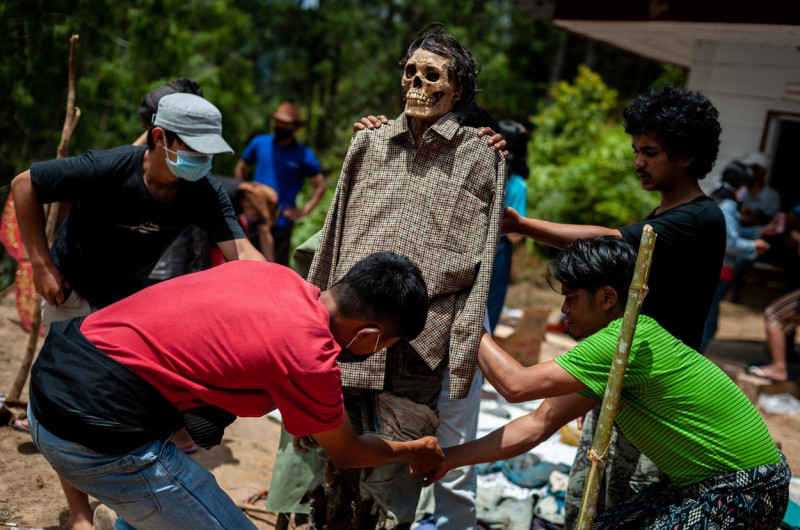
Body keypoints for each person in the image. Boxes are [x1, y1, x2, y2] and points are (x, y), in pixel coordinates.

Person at [27, 252, 443, 530]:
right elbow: (348, 453)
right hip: (93, 434)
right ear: (368, 333)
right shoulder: (309, 358)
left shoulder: (273, 275)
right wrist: (415, 448)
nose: (377, 353)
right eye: (385, 345)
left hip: (49, 387)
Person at [11, 92, 265, 530]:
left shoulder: (200, 192)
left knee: (118, 397)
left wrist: (290, 293)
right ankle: (78, 513)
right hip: (70, 287)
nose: (203, 160)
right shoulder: (108, 167)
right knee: (65, 388)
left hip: (127, 301)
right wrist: (41, 264)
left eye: (210, 151)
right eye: (194, 148)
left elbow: (241, 249)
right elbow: (24, 184)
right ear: (160, 136)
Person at [426, 236, 791, 529]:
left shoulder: (622, 341)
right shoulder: (615, 354)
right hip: (724, 482)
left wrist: (466, 311)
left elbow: (514, 385)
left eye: (571, 299)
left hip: (742, 488)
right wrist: (448, 459)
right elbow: (538, 424)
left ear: (606, 298)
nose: (563, 311)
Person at [307, 23, 507, 527]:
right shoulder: (368, 143)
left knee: (395, 475)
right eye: (411, 72)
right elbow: (332, 233)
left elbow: (482, 264)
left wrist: (460, 352)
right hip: (347, 334)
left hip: (419, 346)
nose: (418, 85)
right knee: (331, 459)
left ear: (457, 90)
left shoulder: (483, 157)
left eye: (433, 75)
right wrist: (311, 311)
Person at [502, 84, 727, 526]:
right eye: (636, 149)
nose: (638, 161)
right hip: (622, 372)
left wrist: (522, 225)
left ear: (686, 156)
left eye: (651, 152)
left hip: (657, 388)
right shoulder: (663, 217)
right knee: (590, 491)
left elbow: (610, 242)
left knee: (628, 502)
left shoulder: (700, 219)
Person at [700, 162, 781, 352]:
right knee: (708, 323)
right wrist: (754, 246)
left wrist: (760, 231)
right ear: (740, 186)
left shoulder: (716, 198)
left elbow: (733, 231)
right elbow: (729, 241)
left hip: (712, 268)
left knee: (708, 317)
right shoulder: (728, 205)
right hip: (718, 269)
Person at [234, 101, 325, 266]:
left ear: (295, 127)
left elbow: (319, 186)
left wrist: (303, 211)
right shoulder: (259, 143)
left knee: (276, 268)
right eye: (278, 122)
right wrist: (242, 202)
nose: (281, 126)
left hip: (282, 222)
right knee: (247, 266)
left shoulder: (304, 154)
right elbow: (241, 168)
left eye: (286, 124)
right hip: (254, 218)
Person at [486, 119, 529, 332]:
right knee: (490, 306)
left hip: (473, 242)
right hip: (499, 250)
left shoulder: (487, 168)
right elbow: (515, 235)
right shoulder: (518, 184)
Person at [737, 152, 781, 227]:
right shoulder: (741, 190)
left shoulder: (772, 196)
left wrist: (752, 215)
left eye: (748, 169)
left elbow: (769, 223)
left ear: (759, 171)